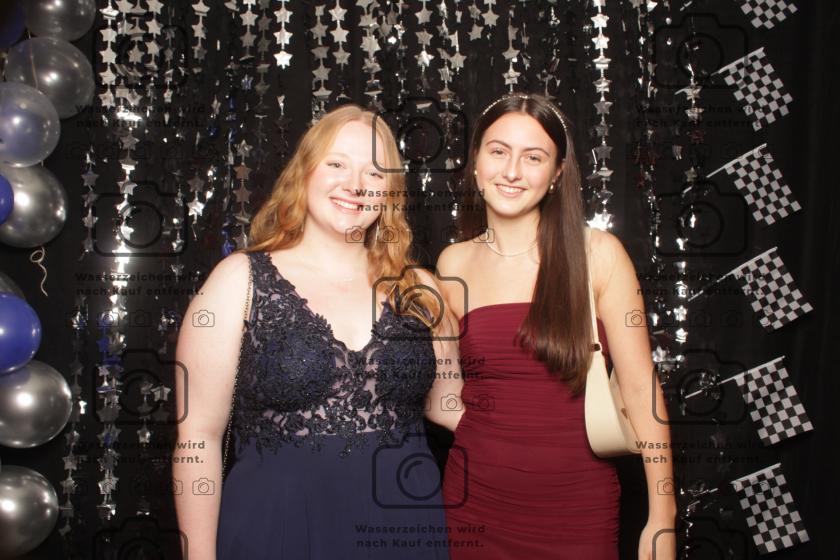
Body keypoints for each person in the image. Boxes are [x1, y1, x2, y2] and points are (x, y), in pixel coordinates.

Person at [173, 104, 463, 559]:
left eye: (374, 172)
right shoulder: (239, 282)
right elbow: (198, 438)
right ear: (304, 171)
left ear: (389, 191)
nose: (355, 184)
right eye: (337, 164)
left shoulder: (419, 289)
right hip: (278, 533)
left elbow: (452, 409)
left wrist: (551, 432)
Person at [437, 93, 677, 560]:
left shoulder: (598, 255)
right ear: (476, 162)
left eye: (533, 157)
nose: (511, 171)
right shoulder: (452, 264)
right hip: (473, 503)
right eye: (498, 151)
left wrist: (663, 517)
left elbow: (640, 389)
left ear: (557, 173)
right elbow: (447, 393)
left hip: (577, 505)